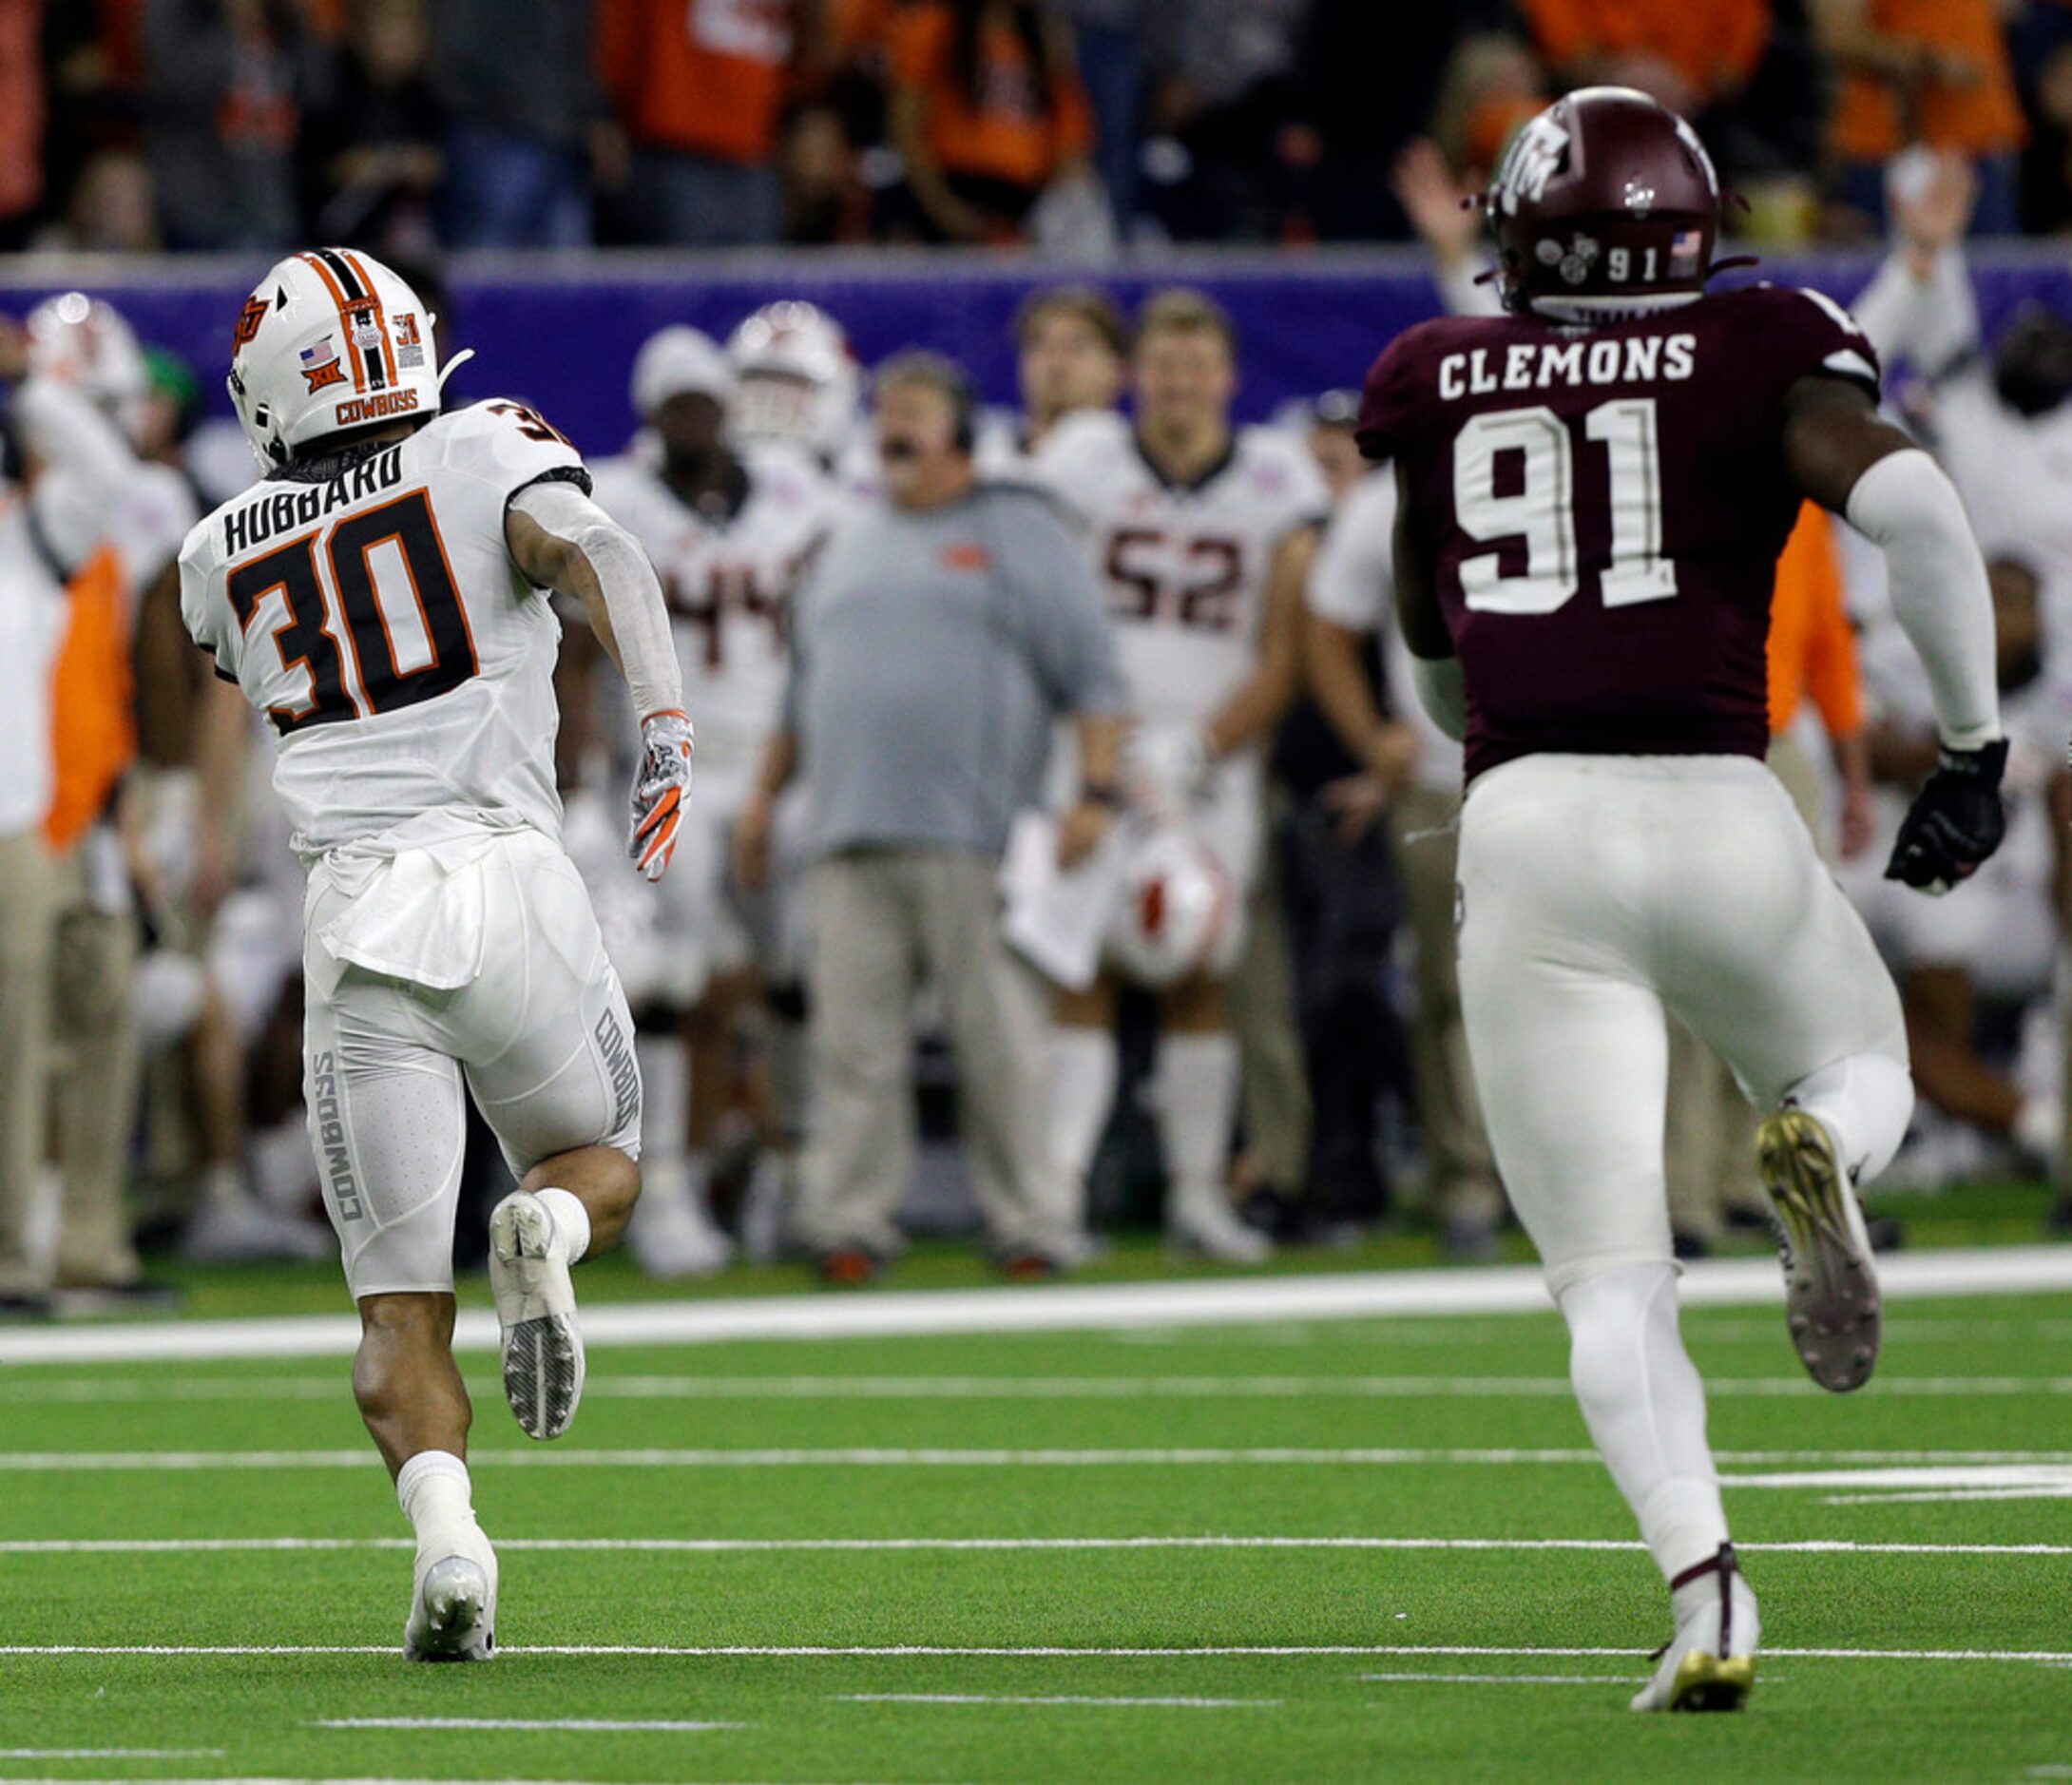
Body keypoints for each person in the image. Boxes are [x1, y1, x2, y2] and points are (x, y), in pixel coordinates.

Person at [1358, 88, 2005, 1711]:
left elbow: (1430, 658)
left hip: (1525, 822)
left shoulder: (1439, 373)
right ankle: (1830, 1159)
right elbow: (1919, 506)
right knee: (1860, 1069)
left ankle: (1706, 1586)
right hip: (1718, 797)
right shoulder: (1760, 340)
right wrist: (1976, 744)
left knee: (1606, 1269)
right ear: (1697, 228)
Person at [179, 247, 689, 1660]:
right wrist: (665, 724)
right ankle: (552, 1228)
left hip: (358, 918)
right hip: (506, 872)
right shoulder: (485, 444)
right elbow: (605, 556)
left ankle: (453, 1547)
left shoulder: (214, 553)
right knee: (606, 1164)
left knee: (397, 1309)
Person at [736, 351, 1126, 1281]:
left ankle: (1031, 1220)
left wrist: (1096, 791)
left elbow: (1093, 676)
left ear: (958, 434)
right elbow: (801, 690)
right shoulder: (845, 538)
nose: (893, 428)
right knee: (852, 1047)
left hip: (977, 834)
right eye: (886, 413)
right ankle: (847, 1222)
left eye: (913, 412)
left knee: (999, 1042)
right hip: (846, 832)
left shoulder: (1017, 531)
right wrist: (762, 798)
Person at [1034, 289, 1329, 1263]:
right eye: (1160, 367)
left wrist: (1203, 744)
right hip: (1095, 748)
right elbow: (1051, 616)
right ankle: (1059, 1195)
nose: (1176, 385)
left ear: (1226, 379)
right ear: (1134, 377)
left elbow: (1287, 648)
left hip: (1212, 765)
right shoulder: (1083, 463)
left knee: (1200, 968)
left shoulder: (1275, 480)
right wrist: (1098, 743)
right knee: (1085, 964)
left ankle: (1197, 1196)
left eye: (1194, 368)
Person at [571, 326, 838, 1276]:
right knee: (665, 985)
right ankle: (670, 1188)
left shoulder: (797, 497)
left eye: (704, 401)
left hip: (770, 767)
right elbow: (569, 653)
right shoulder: (617, 501)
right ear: (651, 418)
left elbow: (821, 645)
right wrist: (579, 782)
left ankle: (797, 1171)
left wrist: (794, 770)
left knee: (799, 974)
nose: (693, 419)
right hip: (660, 771)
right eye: (674, 405)